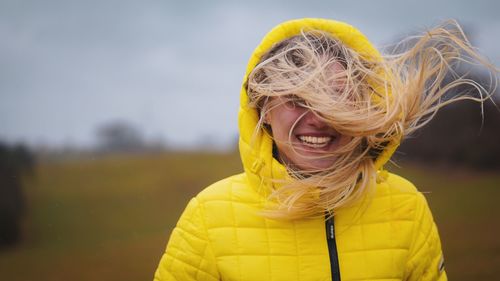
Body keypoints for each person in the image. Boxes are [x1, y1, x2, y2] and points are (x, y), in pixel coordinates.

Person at [153, 18, 496, 281]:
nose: (318, 118)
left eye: (339, 97)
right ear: (264, 111)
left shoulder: (406, 207)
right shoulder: (208, 216)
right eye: (297, 99)